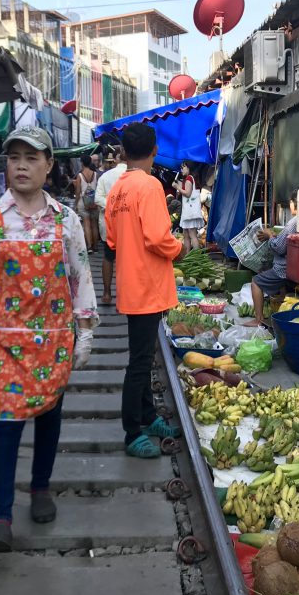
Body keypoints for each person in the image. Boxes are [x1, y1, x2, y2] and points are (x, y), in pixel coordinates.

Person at [0, 126, 98, 552]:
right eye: (14, 157)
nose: (21, 166)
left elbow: (80, 277)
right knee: (4, 426)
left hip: (54, 338)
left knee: (48, 416)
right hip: (4, 340)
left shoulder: (66, 220)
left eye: (31, 158)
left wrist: (86, 333)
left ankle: (41, 488)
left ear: (49, 165)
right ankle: (0, 515)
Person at [105, 122, 187, 459]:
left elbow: (111, 241)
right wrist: (179, 247)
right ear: (154, 151)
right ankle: (131, 431)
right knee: (139, 362)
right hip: (148, 285)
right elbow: (158, 239)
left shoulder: (117, 189)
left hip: (130, 282)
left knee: (143, 356)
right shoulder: (150, 187)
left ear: (123, 153)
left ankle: (149, 416)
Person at [248, 197, 299, 325]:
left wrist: (269, 236)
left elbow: (279, 247)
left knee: (256, 282)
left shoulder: (293, 223)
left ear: (293, 203)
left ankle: (258, 319)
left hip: (285, 269)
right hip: (297, 265)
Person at [94, 148, 127, 305]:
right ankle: (123, 296)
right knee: (125, 260)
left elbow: (97, 198)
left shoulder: (105, 177)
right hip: (129, 225)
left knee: (108, 257)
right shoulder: (137, 176)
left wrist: (112, 205)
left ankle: (107, 293)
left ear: (115, 159)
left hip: (109, 224)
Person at [175, 162, 205, 251]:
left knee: (192, 235)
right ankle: (187, 256)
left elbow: (187, 194)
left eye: (183, 167)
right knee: (187, 235)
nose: (181, 170)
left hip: (189, 212)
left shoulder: (189, 178)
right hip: (190, 212)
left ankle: (196, 257)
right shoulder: (191, 178)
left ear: (189, 168)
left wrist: (177, 186)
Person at [74, 154, 100, 252]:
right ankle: (96, 246)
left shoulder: (80, 175)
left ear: (82, 163)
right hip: (94, 202)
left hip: (83, 202)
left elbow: (77, 192)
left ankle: (89, 247)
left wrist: (76, 204)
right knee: (94, 224)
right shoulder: (95, 174)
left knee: (86, 224)